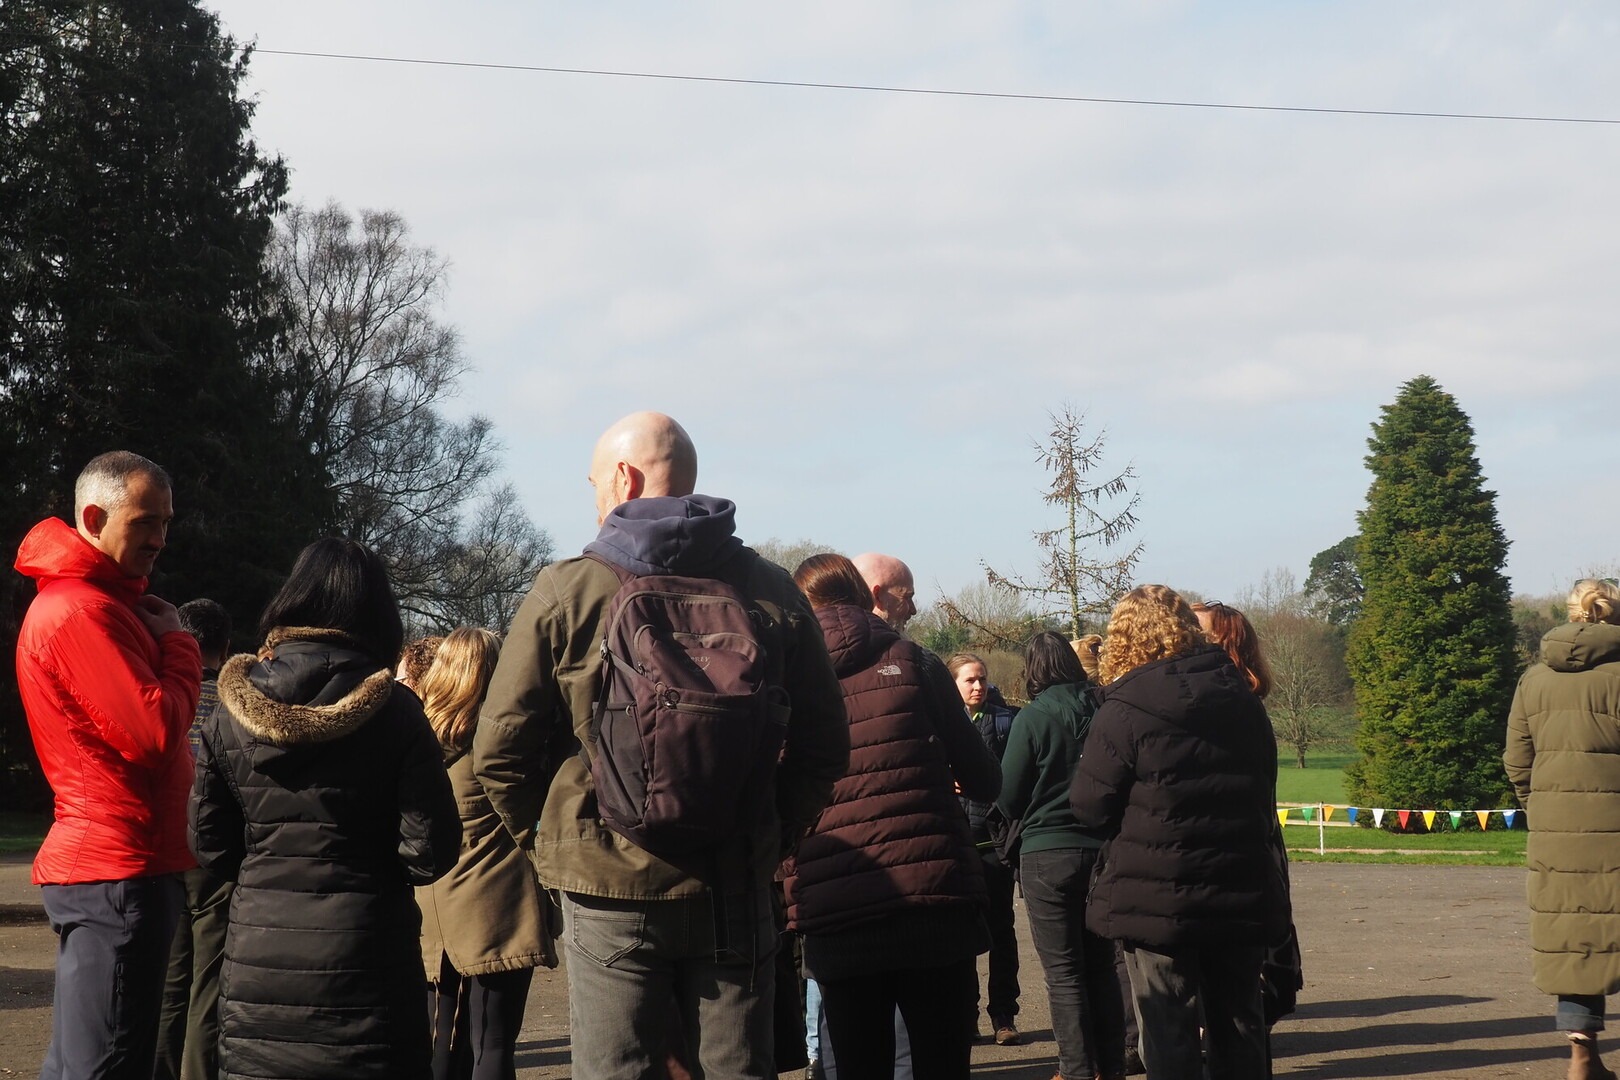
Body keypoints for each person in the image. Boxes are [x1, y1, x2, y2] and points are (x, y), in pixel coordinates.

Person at [472, 411, 849, 1080]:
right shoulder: (769, 590)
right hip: (734, 880)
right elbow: (824, 747)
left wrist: (547, 837)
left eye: (592, 482)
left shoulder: (570, 589)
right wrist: (772, 835)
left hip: (607, 880)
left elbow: (499, 750)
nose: (592, 499)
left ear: (624, 476)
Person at [191, 538, 460, 1079]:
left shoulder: (229, 713)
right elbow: (429, 852)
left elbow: (208, 841)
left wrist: (268, 872)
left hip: (259, 954)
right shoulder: (398, 713)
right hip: (369, 957)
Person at [13, 451, 202, 1080]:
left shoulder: (93, 603)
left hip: (117, 863)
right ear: (94, 517)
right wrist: (180, 645)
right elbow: (152, 732)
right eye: (145, 522)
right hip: (118, 863)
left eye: (166, 523)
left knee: (88, 1060)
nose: (160, 539)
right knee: (103, 1065)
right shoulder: (82, 610)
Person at [785, 553, 999, 1080]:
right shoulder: (915, 661)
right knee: (940, 1061)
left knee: (856, 1063)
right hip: (932, 897)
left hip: (836, 906)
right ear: (865, 596)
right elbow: (987, 780)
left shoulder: (781, 674)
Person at [1070, 584, 1278, 1080]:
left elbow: (1090, 806)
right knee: (1240, 1021)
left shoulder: (1123, 708)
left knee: (1166, 1024)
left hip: (1158, 893)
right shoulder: (1242, 699)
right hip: (1240, 883)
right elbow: (1264, 788)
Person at [416, 627, 557, 1080]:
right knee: (492, 1044)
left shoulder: (419, 738)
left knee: (440, 1043)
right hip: (498, 906)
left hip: (435, 903)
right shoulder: (505, 744)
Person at [1504, 578, 1620, 1080]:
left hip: (1554, 830)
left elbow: (1516, 760)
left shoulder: (1534, 679)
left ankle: (1582, 1058)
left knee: (1576, 937)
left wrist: (1541, 810)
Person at [998, 631, 1125, 1080]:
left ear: (1032, 669)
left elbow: (1008, 794)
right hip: (1103, 849)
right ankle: (1112, 1066)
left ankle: (1075, 1069)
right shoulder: (1108, 709)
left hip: (1046, 853)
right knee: (1104, 967)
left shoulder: (1032, 719)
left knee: (1064, 973)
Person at [154, 599, 234, 1080]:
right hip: (216, 854)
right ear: (225, 647)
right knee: (209, 983)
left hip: (166, 844)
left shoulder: (165, 694)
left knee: (170, 978)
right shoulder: (234, 700)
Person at [945, 651, 1023, 1046]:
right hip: (956, 843)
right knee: (960, 935)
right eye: (969, 680)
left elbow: (1015, 778)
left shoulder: (1007, 721)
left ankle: (1004, 1015)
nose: (978, 687)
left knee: (1001, 931)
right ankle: (965, 1014)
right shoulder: (939, 724)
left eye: (982, 679)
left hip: (994, 843)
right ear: (953, 684)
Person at [851, 553, 917, 630]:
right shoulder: (889, 641)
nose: (913, 610)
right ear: (877, 596)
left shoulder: (836, 638)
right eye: (907, 597)